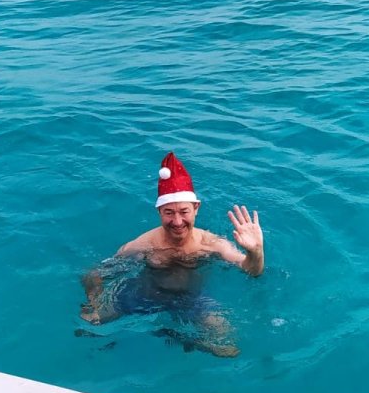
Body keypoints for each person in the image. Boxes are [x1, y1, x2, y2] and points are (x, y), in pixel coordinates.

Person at [81, 152, 264, 356]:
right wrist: (94, 301)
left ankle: (182, 338)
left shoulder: (212, 244)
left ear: (196, 208)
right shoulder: (143, 245)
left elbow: (252, 271)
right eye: (169, 213)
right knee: (90, 324)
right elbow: (94, 272)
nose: (177, 222)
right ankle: (171, 334)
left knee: (228, 350)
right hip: (144, 293)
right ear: (159, 211)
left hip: (191, 299)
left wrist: (255, 252)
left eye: (184, 212)